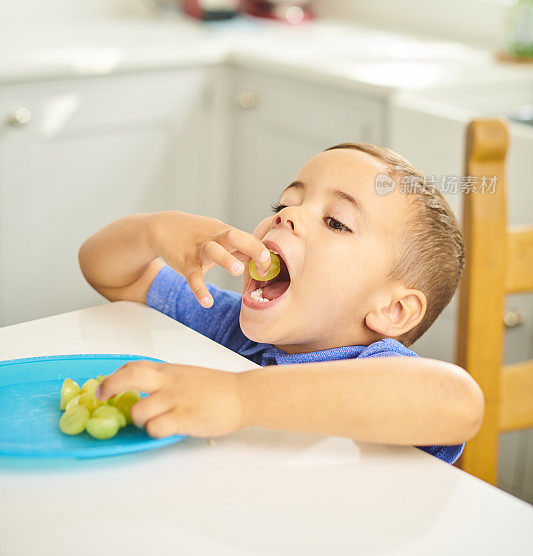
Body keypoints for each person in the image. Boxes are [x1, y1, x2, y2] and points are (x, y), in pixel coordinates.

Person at [79, 142, 484, 463]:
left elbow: (456, 400)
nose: (287, 216)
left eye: (336, 222)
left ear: (393, 310)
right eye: (286, 203)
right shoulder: (229, 327)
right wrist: (156, 229)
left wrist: (239, 398)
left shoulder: (376, 367)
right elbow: (108, 271)